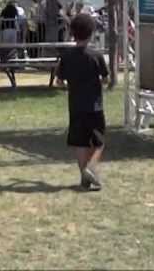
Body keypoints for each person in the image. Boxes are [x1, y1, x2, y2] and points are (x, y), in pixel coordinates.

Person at [56, 13, 110, 191]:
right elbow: (105, 79)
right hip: (94, 105)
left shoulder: (66, 56)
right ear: (91, 33)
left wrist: (68, 87)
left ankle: (84, 179)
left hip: (75, 105)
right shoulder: (96, 55)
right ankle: (90, 168)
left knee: (80, 142)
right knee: (99, 142)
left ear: (72, 33)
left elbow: (59, 81)